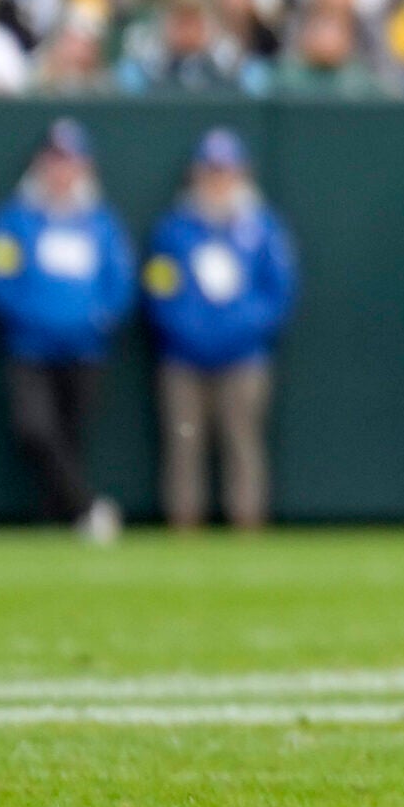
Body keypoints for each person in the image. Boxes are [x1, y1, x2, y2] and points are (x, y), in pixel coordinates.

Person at [0, 119, 135, 543]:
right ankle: (86, 509)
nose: (62, 172)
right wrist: (28, 316)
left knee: (71, 436)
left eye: (71, 162)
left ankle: (59, 519)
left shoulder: (101, 223)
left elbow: (120, 281)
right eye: (55, 162)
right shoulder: (15, 219)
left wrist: (99, 319)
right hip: (30, 347)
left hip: (85, 350)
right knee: (35, 430)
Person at [143, 129, 298, 531]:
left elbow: (278, 290)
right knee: (183, 444)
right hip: (183, 357)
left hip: (244, 356)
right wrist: (186, 330)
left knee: (242, 442)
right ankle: (183, 524)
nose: (217, 180)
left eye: (225, 171)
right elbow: (159, 287)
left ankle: (247, 523)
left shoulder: (262, 228)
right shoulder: (174, 229)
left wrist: (241, 329)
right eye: (210, 171)